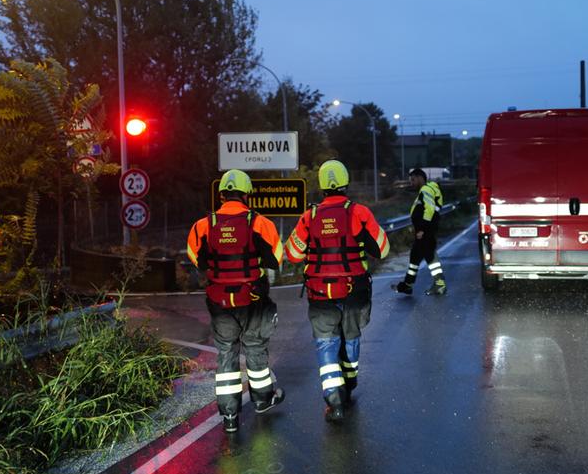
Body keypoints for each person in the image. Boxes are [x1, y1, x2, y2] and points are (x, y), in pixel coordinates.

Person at [285, 160, 389, 422]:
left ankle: (334, 399)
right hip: (354, 291)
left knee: (326, 343)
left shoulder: (309, 217)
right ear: (345, 183)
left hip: (320, 293)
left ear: (321, 187)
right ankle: (349, 382)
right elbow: (383, 249)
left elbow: (293, 254)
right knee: (351, 337)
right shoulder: (359, 213)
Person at [187, 169, 285, 433]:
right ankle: (263, 400)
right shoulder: (260, 223)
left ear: (221, 195)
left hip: (219, 300)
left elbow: (197, 259)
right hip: (252, 297)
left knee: (227, 353)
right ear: (247, 194)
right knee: (254, 347)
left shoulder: (203, 225)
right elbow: (276, 257)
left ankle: (229, 416)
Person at [394, 168, 447, 296]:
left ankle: (440, 285)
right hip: (425, 229)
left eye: (413, 180)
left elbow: (428, 210)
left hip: (425, 230)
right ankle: (407, 284)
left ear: (419, 178)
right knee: (415, 257)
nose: (411, 183)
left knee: (430, 257)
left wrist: (422, 229)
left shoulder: (426, 190)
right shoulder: (427, 190)